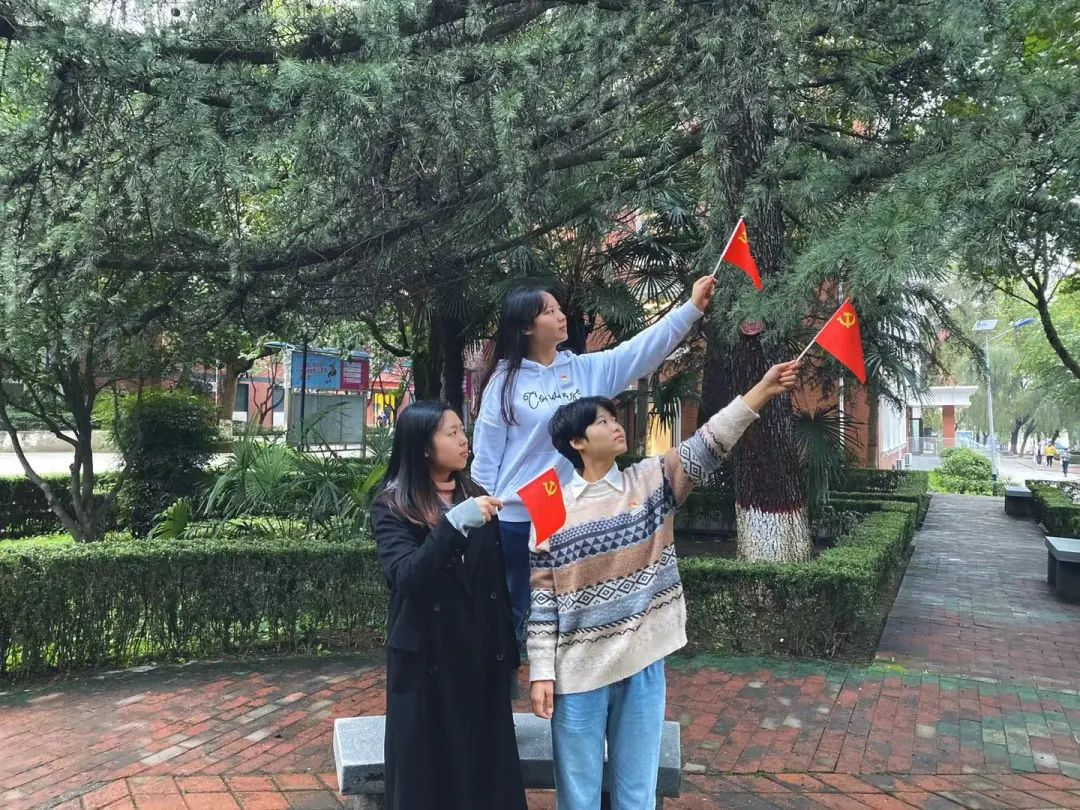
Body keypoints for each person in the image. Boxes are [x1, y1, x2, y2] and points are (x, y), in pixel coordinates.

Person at [527, 360, 800, 810]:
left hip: (641, 661)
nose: (615, 426)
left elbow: (710, 441)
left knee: (637, 794)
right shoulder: (547, 505)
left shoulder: (651, 481)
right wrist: (541, 671)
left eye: (614, 418)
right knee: (577, 797)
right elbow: (542, 600)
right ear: (577, 442)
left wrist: (763, 390)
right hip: (577, 671)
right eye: (602, 422)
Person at [472, 276, 717, 641]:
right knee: (512, 610)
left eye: (559, 309)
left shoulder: (585, 371)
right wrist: (481, 519)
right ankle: (501, 673)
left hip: (567, 512)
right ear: (526, 327)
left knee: (568, 612)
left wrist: (692, 308)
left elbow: (640, 350)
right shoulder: (504, 384)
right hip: (515, 517)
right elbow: (485, 460)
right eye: (549, 311)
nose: (561, 316)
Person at [370, 401, 526, 810]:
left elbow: (494, 585)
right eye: (451, 432)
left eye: (463, 430)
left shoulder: (475, 495)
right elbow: (407, 579)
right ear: (424, 446)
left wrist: (508, 654)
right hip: (426, 661)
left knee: (486, 778)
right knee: (428, 779)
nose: (463, 440)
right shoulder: (392, 505)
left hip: (480, 656)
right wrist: (453, 524)